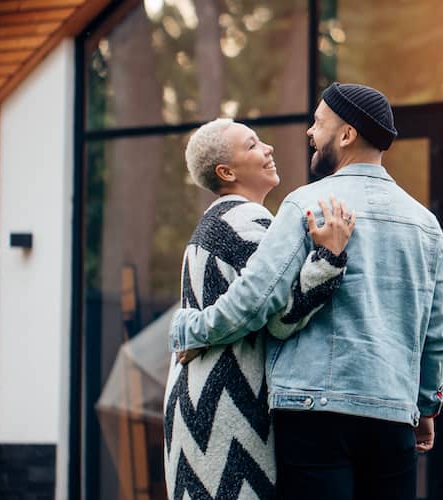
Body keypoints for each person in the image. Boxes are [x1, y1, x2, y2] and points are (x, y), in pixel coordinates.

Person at [169, 83, 443, 499]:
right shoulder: (425, 223)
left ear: (346, 135)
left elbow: (256, 298)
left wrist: (192, 328)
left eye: (319, 123)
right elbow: (439, 333)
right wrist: (426, 404)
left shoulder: (307, 203)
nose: (309, 132)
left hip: (312, 416)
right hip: (391, 412)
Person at [163, 118, 355, 500]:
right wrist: (329, 256)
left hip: (202, 403)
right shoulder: (245, 220)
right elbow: (282, 318)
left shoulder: (216, 220)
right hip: (229, 406)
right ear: (226, 171)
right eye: (252, 145)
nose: (267, 148)